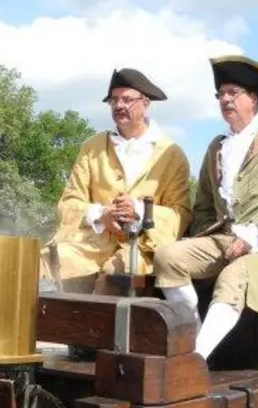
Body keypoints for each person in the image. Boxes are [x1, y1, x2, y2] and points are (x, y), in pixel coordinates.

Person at [153, 55, 258, 361]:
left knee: (231, 278)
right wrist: (205, 239)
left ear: (253, 99)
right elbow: (202, 204)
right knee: (167, 257)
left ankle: (195, 359)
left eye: (233, 93)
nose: (225, 99)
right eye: (220, 94)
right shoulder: (217, 146)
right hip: (225, 238)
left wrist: (251, 238)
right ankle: (194, 340)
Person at [44, 69, 192, 293]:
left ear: (145, 103)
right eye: (114, 100)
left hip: (139, 248)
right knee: (40, 264)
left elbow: (181, 214)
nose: (119, 105)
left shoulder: (172, 154)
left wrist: (141, 211)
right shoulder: (92, 147)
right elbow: (69, 203)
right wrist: (101, 214)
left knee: (114, 279)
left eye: (127, 99)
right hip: (90, 243)